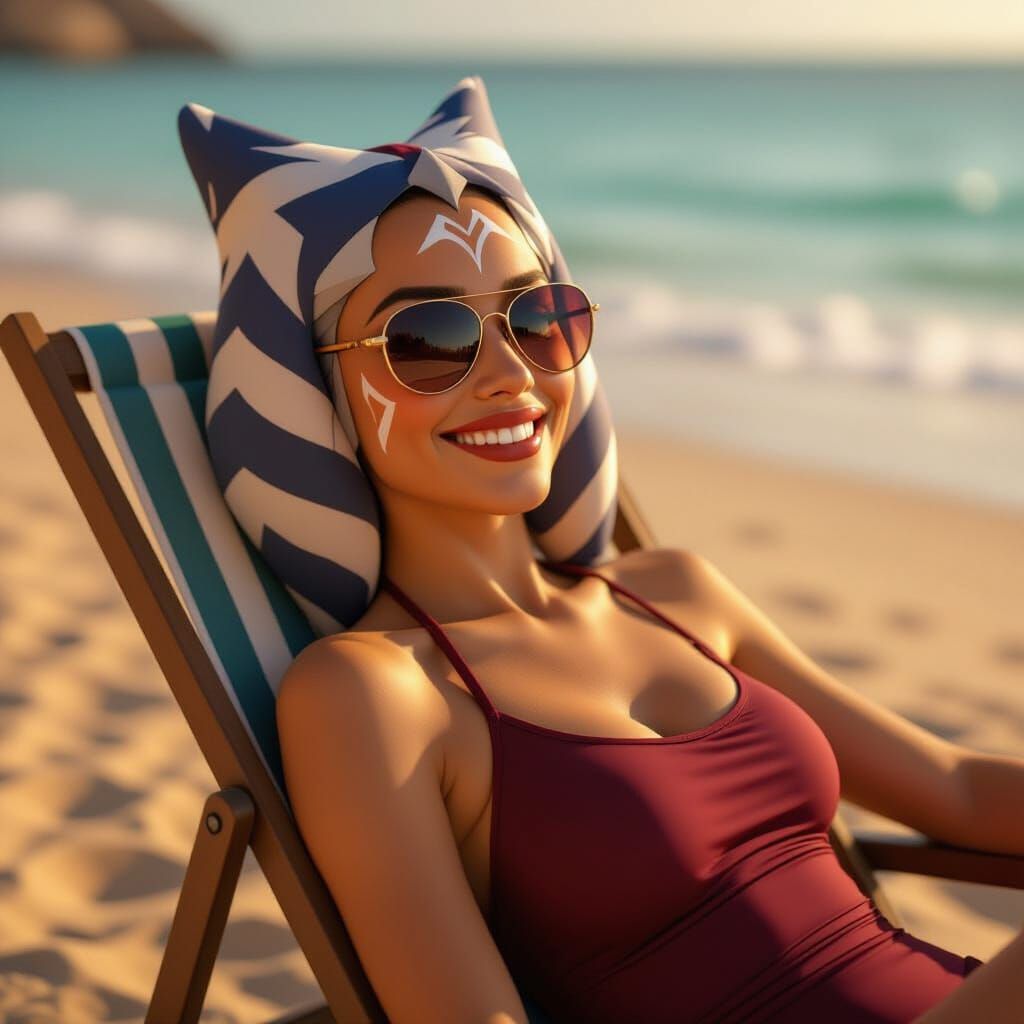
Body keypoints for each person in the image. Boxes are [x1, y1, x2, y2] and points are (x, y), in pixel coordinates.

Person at [274, 182, 1024, 1024]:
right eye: (427, 338)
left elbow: (954, 789)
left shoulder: (671, 592)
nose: (512, 373)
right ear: (318, 390)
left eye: (535, 318)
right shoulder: (373, 693)